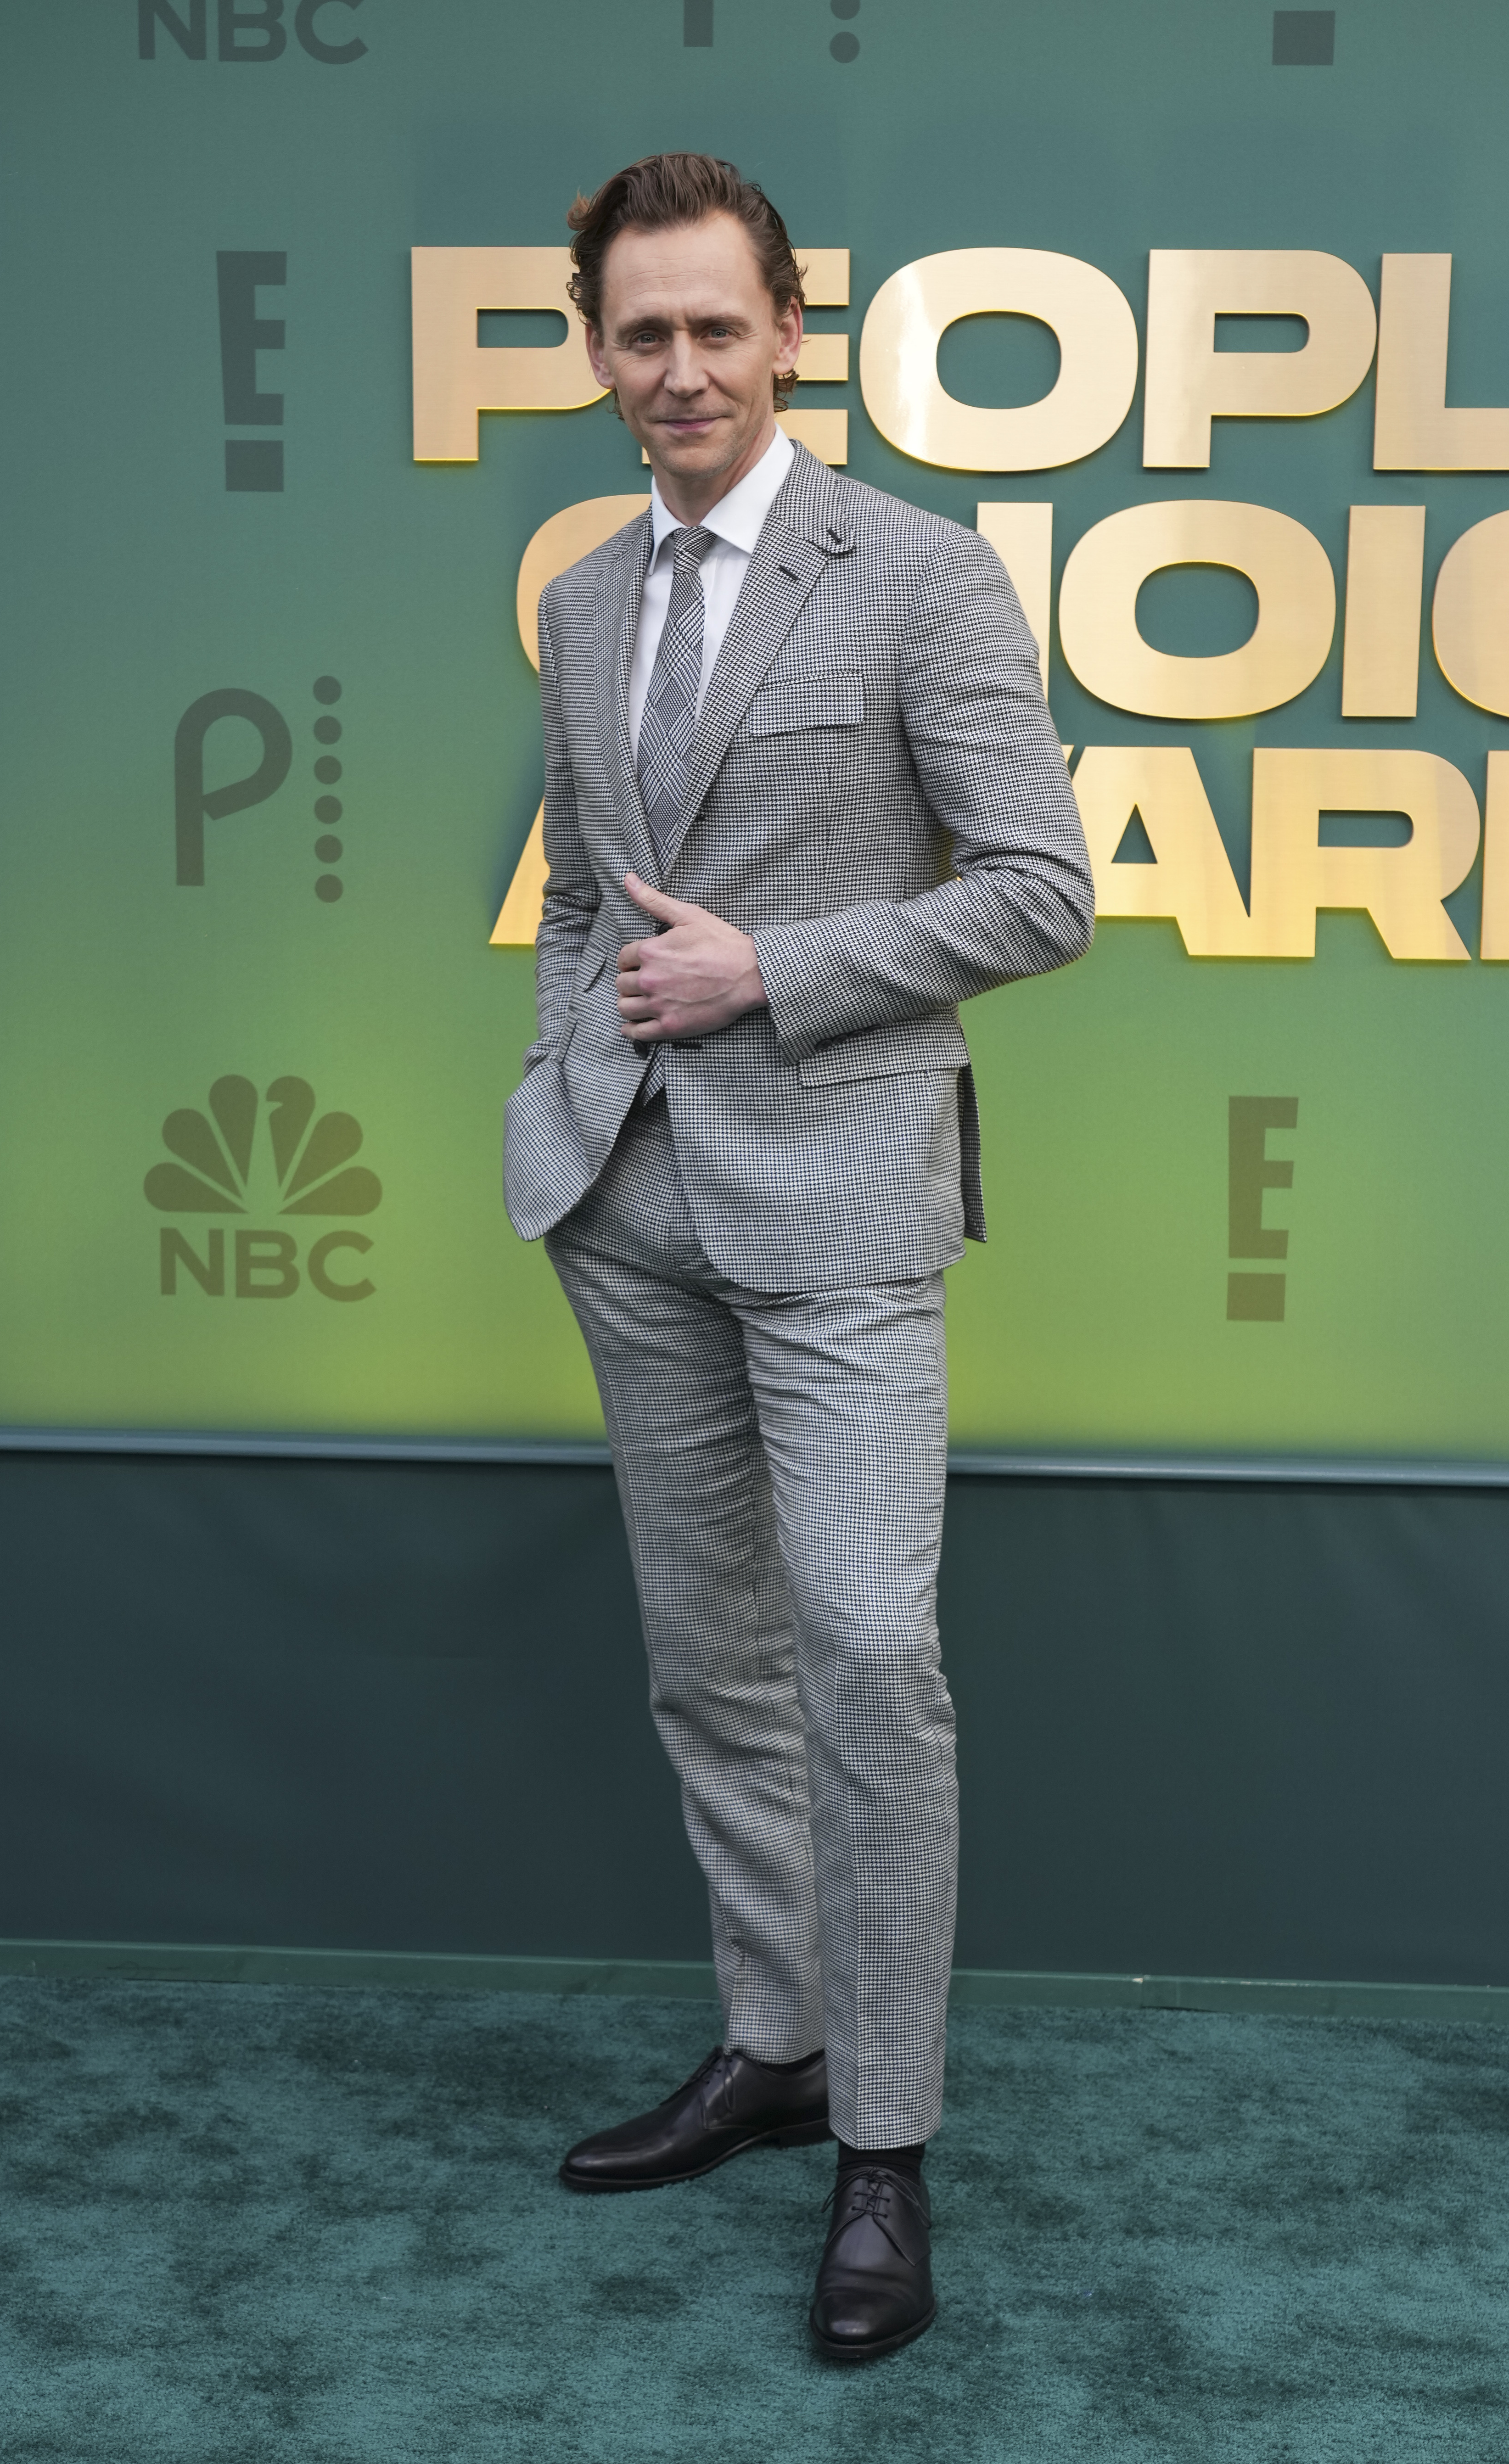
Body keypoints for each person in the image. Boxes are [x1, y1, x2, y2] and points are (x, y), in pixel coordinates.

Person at [503, 152, 1094, 2361]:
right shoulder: (582, 596)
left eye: (713, 327)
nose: (677, 368)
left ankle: (887, 2148)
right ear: (596, 349)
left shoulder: (918, 575)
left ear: (787, 333)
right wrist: (572, 1070)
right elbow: (583, 885)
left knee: (864, 1653)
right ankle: (777, 2042)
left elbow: (1043, 890)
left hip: (841, 1194)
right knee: (706, 1658)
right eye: (637, 332)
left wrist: (774, 973)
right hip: (629, 1199)